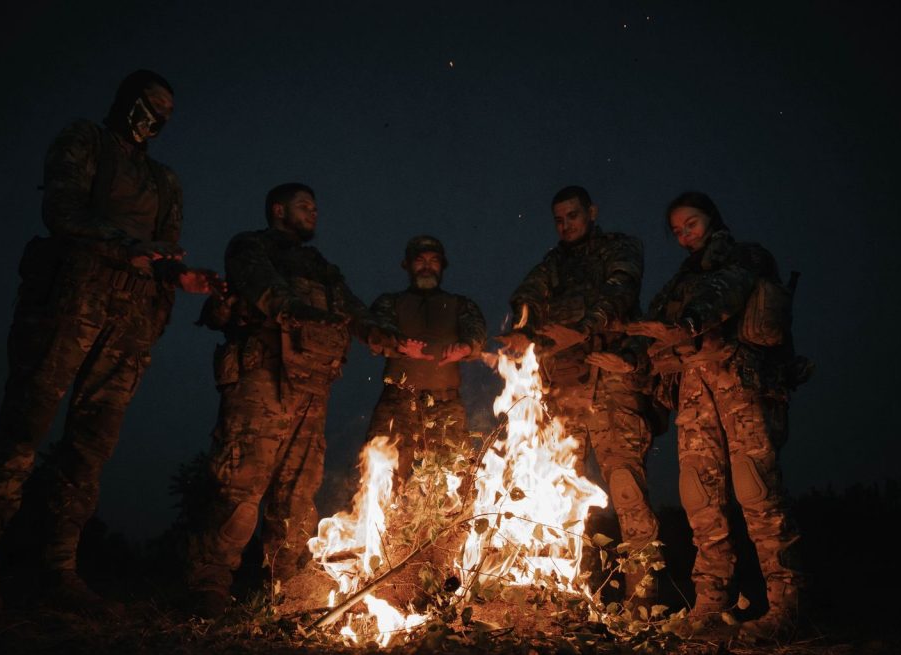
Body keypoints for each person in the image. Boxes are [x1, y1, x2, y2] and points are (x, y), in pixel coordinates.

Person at [0, 70, 224, 616]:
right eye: (152, 104)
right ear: (128, 101)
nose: (160, 116)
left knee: (91, 446)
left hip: (131, 320)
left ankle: (58, 573)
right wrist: (126, 245)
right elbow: (62, 212)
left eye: (168, 109)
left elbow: (163, 252)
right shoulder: (85, 140)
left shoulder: (164, 180)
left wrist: (184, 278)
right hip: (72, 301)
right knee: (23, 428)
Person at [187, 183, 398, 617]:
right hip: (262, 377)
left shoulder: (319, 265)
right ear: (278, 210)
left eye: (316, 207)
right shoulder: (251, 246)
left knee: (299, 493)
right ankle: (208, 586)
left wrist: (382, 334)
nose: (313, 213)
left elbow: (352, 307)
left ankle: (292, 590)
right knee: (242, 483)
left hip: (312, 383)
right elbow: (265, 289)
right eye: (305, 206)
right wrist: (303, 312)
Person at [630, 191, 806, 640]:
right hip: (694, 392)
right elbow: (652, 325)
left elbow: (723, 291)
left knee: (756, 489)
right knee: (698, 496)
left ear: (711, 218)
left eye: (690, 223)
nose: (684, 235)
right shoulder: (680, 280)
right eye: (676, 230)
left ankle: (785, 606)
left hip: (741, 385)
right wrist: (630, 350)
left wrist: (688, 323)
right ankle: (711, 603)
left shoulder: (746, 256)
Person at [504, 186, 661, 599]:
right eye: (558, 219)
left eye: (572, 215)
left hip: (611, 378)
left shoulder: (620, 247)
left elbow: (620, 293)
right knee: (559, 488)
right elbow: (528, 294)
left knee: (626, 488)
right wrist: (523, 329)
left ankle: (641, 598)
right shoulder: (555, 263)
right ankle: (566, 592)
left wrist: (583, 328)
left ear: (591, 211)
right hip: (565, 388)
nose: (565, 225)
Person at [364, 235, 487, 483]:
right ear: (407, 265)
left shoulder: (460, 304)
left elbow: (476, 331)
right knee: (384, 479)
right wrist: (399, 344)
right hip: (398, 404)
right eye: (420, 261)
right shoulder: (390, 302)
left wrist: (464, 348)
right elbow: (377, 330)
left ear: (442, 266)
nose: (427, 266)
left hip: (446, 407)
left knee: (455, 479)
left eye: (434, 261)